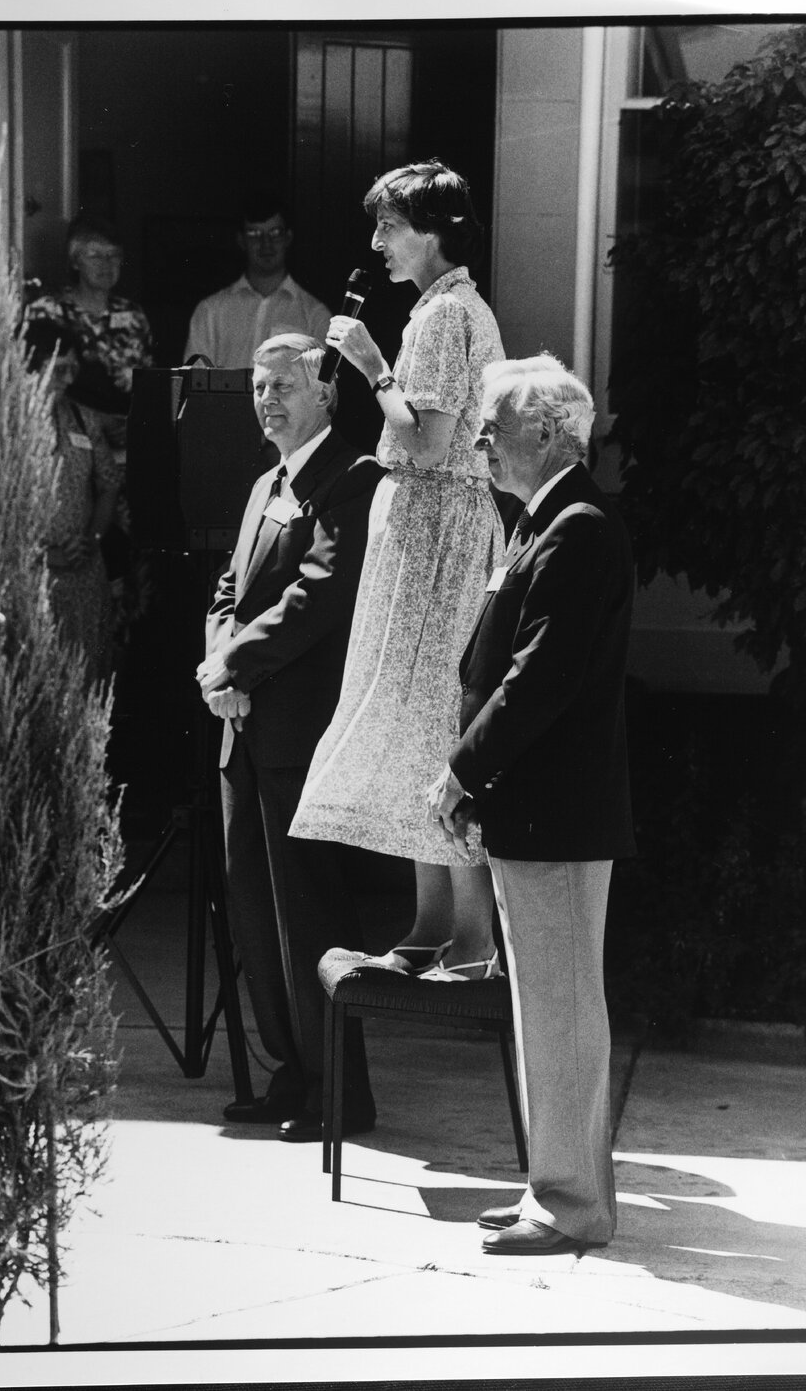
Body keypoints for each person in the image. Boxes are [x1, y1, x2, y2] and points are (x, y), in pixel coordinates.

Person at [428, 355, 635, 1255]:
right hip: (539, 812)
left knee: (559, 1014)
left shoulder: (575, 527)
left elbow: (535, 681)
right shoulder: (543, 522)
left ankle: (570, 1204)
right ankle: (554, 1190)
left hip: (556, 814)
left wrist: (461, 773)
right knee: (546, 1013)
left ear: (545, 431)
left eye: (490, 426)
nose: (478, 442)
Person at [288, 160, 506, 981]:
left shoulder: (443, 316)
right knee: (418, 726)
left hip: (440, 540)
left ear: (436, 231)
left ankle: (474, 944)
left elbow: (429, 441)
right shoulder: (441, 309)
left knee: (433, 726)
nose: (376, 242)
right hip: (424, 535)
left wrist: (372, 362)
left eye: (390, 226)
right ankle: (430, 929)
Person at [196, 333, 386, 1141]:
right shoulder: (262, 484)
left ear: (326, 395)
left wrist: (234, 665)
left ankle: (338, 1094)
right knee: (252, 913)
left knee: (307, 918)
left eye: (283, 386)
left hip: (300, 736)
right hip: (243, 728)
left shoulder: (350, 479)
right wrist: (218, 664)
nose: (267, 400)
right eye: (258, 388)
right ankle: (290, 1073)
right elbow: (229, 589)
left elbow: (319, 595)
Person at [26, 213, 154, 633]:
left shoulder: (133, 316)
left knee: (128, 564)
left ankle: (120, 660)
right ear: (75, 260)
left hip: (123, 455)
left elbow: (149, 389)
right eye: (96, 255)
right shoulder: (48, 309)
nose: (107, 264)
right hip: (69, 452)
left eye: (115, 256)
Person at [24, 319, 120, 681]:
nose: (68, 378)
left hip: (83, 568)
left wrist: (92, 540)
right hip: (35, 571)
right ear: (34, 362)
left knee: (87, 672)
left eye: (73, 369)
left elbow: (109, 484)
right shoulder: (11, 424)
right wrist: (45, 554)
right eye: (60, 369)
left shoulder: (81, 416)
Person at [183, 192, 331, 369]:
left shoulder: (315, 316)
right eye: (254, 233)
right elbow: (194, 385)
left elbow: (322, 388)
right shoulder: (210, 311)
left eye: (275, 233)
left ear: (288, 238)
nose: (265, 243)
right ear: (241, 240)